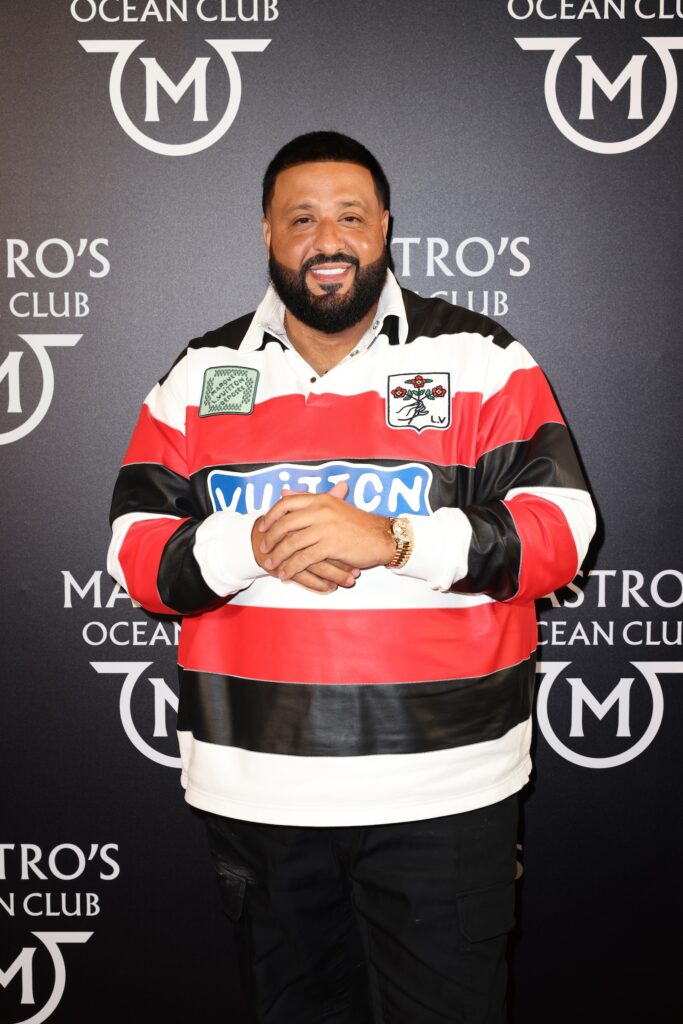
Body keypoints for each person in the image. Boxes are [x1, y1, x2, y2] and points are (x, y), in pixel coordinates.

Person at [107, 131, 595, 1024]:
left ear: (384, 231)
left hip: (443, 797)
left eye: (349, 217)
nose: (325, 240)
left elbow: (561, 533)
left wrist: (394, 540)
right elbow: (136, 554)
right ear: (266, 233)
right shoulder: (199, 374)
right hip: (258, 800)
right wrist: (254, 543)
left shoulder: (484, 360)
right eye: (301, 219)